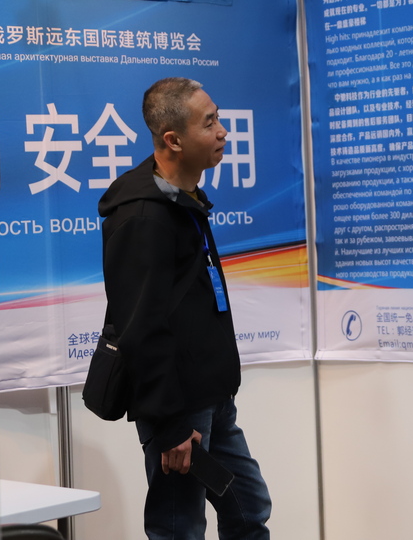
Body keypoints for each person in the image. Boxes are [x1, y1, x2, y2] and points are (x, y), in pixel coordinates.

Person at [99, 77, 272, 540]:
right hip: (177, 410)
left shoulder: (183, 199)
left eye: (218, 118)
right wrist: (170, 425)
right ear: (173, 140)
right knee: (179, 528)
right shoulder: (141, 216)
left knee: (249, 509)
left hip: (212, 397)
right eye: (209, 123)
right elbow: (139, 329)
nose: (222, 132)